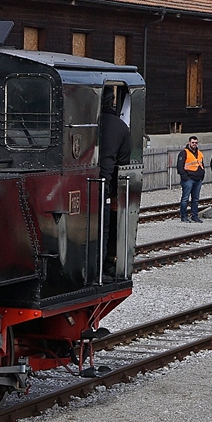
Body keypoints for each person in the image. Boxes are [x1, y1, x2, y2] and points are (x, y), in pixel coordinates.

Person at [98, 86, 131, 280]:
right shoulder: (119, 126)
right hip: (102, 182)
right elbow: (124, 160)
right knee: (102, 228)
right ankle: (100, 268)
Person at [176, 135, 206, 222]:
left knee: (195, 199)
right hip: (188, 179)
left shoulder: (199, 153)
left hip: (198, 179)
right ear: (189, 142)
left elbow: (201, 164)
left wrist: (202, 175)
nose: (194, 144)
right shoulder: (184, 153)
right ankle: (184, 216)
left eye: (196, 143)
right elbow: (180, 167)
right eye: (193, 142)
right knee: (185, 199)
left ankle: (194, 216)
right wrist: (185, 177)